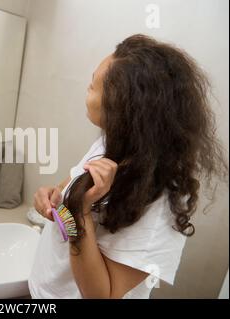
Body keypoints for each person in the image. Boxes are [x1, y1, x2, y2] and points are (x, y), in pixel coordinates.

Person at [30, 34, 228, 299]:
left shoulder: (161, 205)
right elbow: (65, 193)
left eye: (92, 86)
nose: (86, 91)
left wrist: (81, 214)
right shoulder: (109, 144)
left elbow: (103, 295)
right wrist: (52, 199)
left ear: (123, 107)